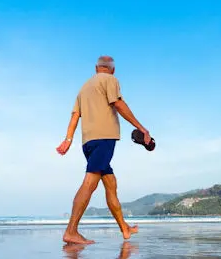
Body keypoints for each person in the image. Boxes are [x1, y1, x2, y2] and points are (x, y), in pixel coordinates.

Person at [56, 55, 152, 245]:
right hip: (104, 138)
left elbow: (75, 116)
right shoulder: (111, 80)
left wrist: (68, 139)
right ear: (113, 69)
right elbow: (118, 104)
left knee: (110, 183)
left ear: (96, 68)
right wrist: (142, 128)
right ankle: (71, 231)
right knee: (90, 182)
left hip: (88, 142)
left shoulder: (84, 88)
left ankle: (124, 229)